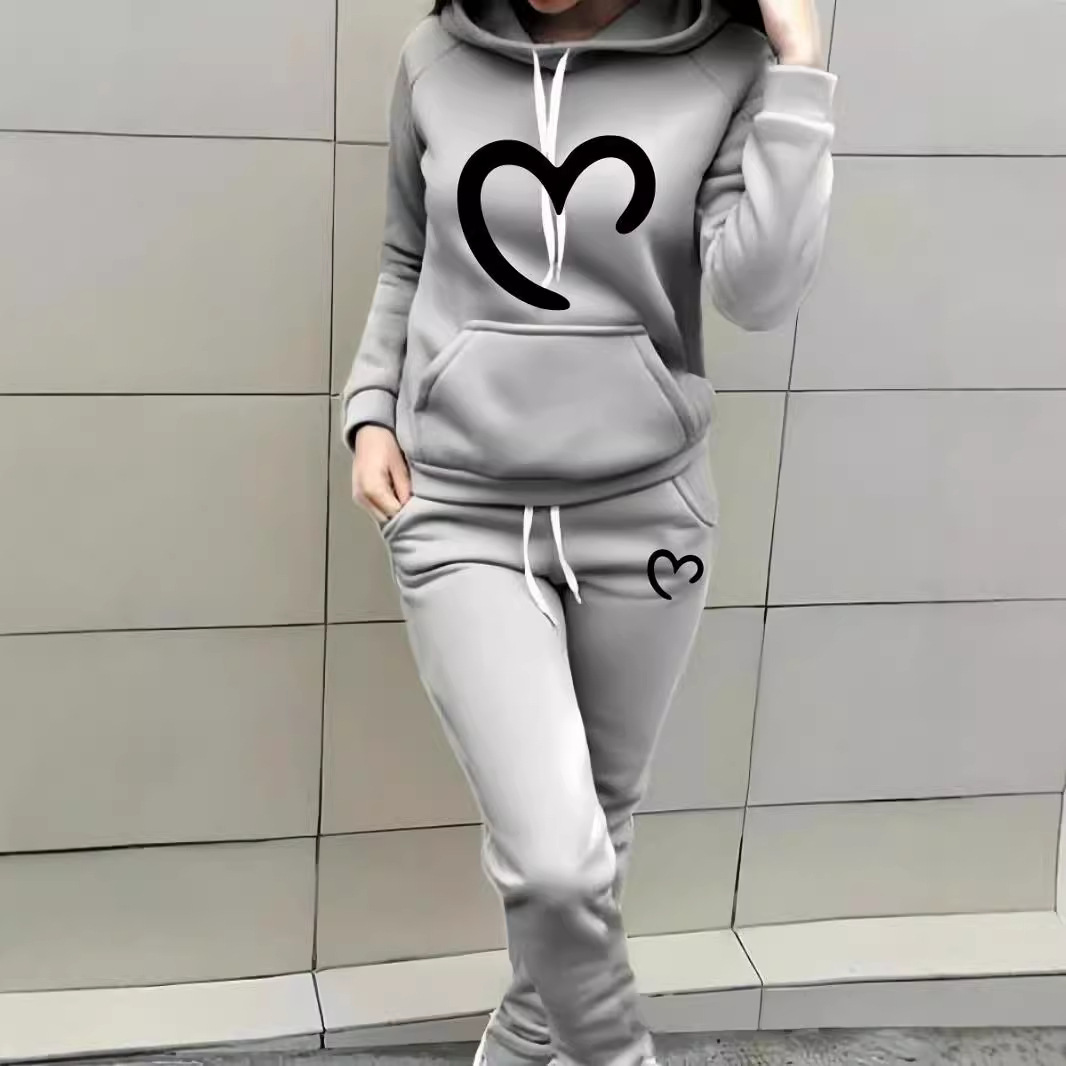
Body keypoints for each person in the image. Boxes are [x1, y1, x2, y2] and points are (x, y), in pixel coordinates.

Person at [341, 1, 836, 1065]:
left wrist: (798, 68)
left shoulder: (725, 67)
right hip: (459, 509)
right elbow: (404, 255)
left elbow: (756, 292)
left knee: (596, 838)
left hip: (647, 514)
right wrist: (370, 406)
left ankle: (524, 1040)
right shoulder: (435, 58)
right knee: (554, 866)